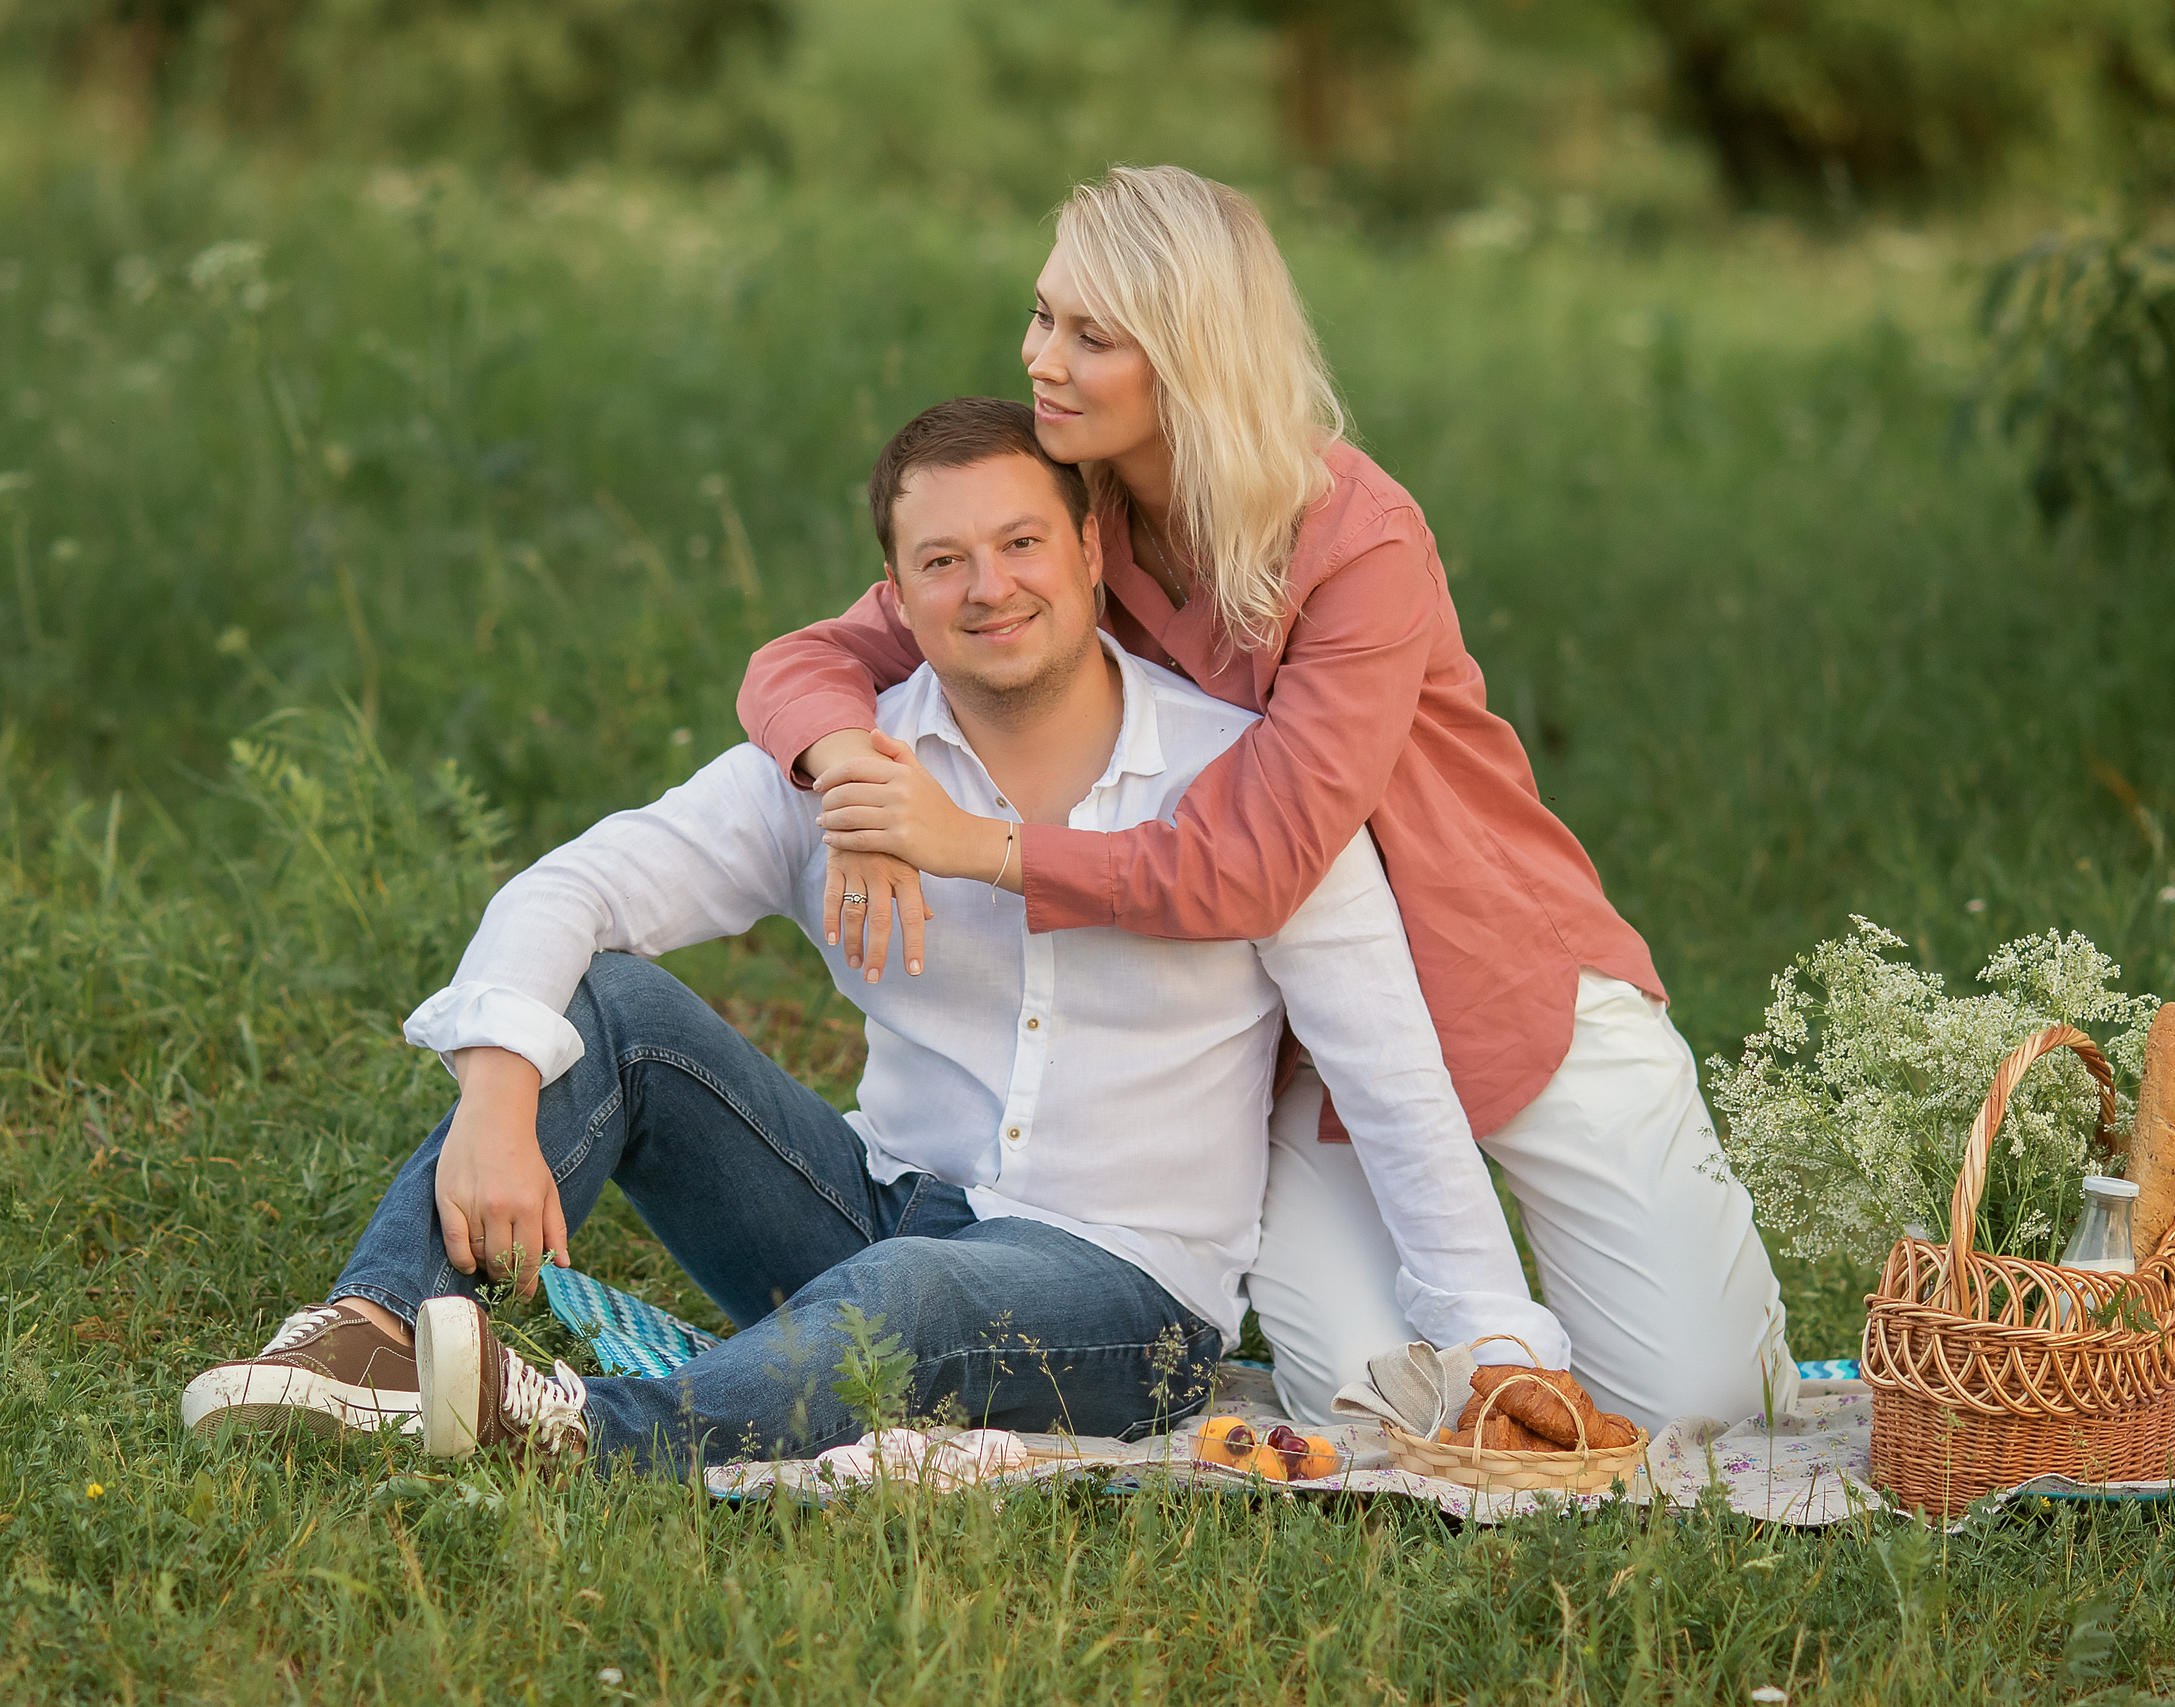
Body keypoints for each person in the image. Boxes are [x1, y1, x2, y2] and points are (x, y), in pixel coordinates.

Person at [179, 398, 1563, 1469]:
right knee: (614, 1008)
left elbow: (1390, 1073)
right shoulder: (855, 772)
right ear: (893, 594)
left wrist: (1496, 1337)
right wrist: (497, 1082)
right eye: (943, 558)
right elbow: (573, 885)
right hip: (879, 1208)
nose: (991, 585)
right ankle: (366, 1337)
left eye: (1023, 542)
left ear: (1090, 551)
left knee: (913, 1289)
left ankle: (582, 1434)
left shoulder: (1237, 781)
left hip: (1128, 1302)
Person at [741, 166, 1798, 1431]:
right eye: (1041, 316)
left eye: (1091, 335)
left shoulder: (1357, 541)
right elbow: (804, 663)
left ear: (1186, 355)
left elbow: (1253, 866)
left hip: (1499, 977)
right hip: (1310, 1033)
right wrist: (853, 776)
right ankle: (1474, 1316)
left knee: (1702, 1406)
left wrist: (976, 847)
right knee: (1367, 1400)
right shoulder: (1070, 533)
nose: (1041, 359)